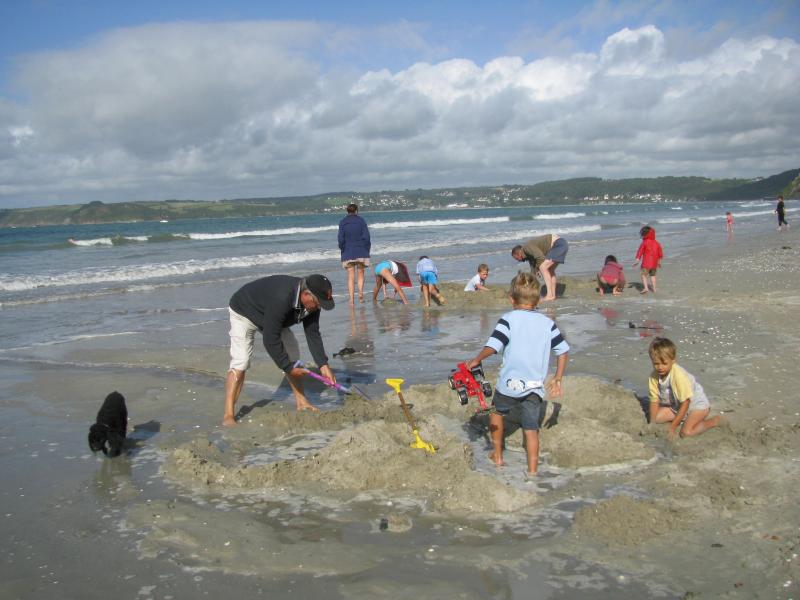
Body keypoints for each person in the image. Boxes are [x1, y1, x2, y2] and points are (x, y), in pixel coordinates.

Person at [465, 271, 569, 478]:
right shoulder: (547, 323)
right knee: (531, 429)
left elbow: (493, 346)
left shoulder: (508, 319)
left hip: (509, 384)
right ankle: (532, 471)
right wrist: (557, 378)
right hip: (534, 387)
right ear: (537, 299)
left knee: (496, 413)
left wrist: (476, 360)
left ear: (511, 299)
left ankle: (497, 454)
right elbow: (563, 350)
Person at [222, 274, 336, 426]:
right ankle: (228, 414)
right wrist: (287, 367)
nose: (319, 307)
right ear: (306, 294)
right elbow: (270, 339)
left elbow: (312, 333)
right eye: (318, 303)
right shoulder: (282, 298)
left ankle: (302, 402)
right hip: (244, 311)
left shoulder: (313, 303)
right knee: (241, 361)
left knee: (293, 354)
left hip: (270, 316)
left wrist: (323, 365)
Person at [647, 337, 721, 438]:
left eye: (664, 363)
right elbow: (654, 400)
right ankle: (682, 419)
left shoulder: (679, 376)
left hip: (696, 406)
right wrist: (652, 424)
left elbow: (686, 403)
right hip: (676, 406)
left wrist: (673, 428)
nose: (660, 367)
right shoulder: (653, 377)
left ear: (673, 360)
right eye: (656, 363)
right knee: (657, 418)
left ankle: (714, 421)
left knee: (686, 433)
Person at [511, 234, 569, 301]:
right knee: (550, 270)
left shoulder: (526, 248)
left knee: (543, 267)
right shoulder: (529, 255)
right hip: (562, 245)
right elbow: (533, 271)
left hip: (559, 244)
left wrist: (539, 268)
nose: (517, 260)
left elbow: (540, 257)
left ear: (518, 253)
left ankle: (549, 295)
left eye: (515, 258)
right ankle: (552, 295)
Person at [338, 203, 371, 304]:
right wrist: (367, 249)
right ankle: (360, 294)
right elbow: (366, 237)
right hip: (361, 250)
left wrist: (342, 249)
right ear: (356, 211)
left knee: (350, 276)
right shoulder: (361, 221)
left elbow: (340, 239)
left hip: (348, 252)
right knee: (360, 273)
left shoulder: (343, 222)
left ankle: (351, 300)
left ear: (347, 211)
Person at [633, 225, 663, 294]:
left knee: (643, 275)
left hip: (646, 263)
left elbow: (640, 251)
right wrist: (659, 262)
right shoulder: (657, 243)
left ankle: (646, 288)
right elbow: (660, 253)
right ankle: (654, 289)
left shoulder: (645, 242)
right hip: (654, 263)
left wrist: (637, 260)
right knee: (653, 276)